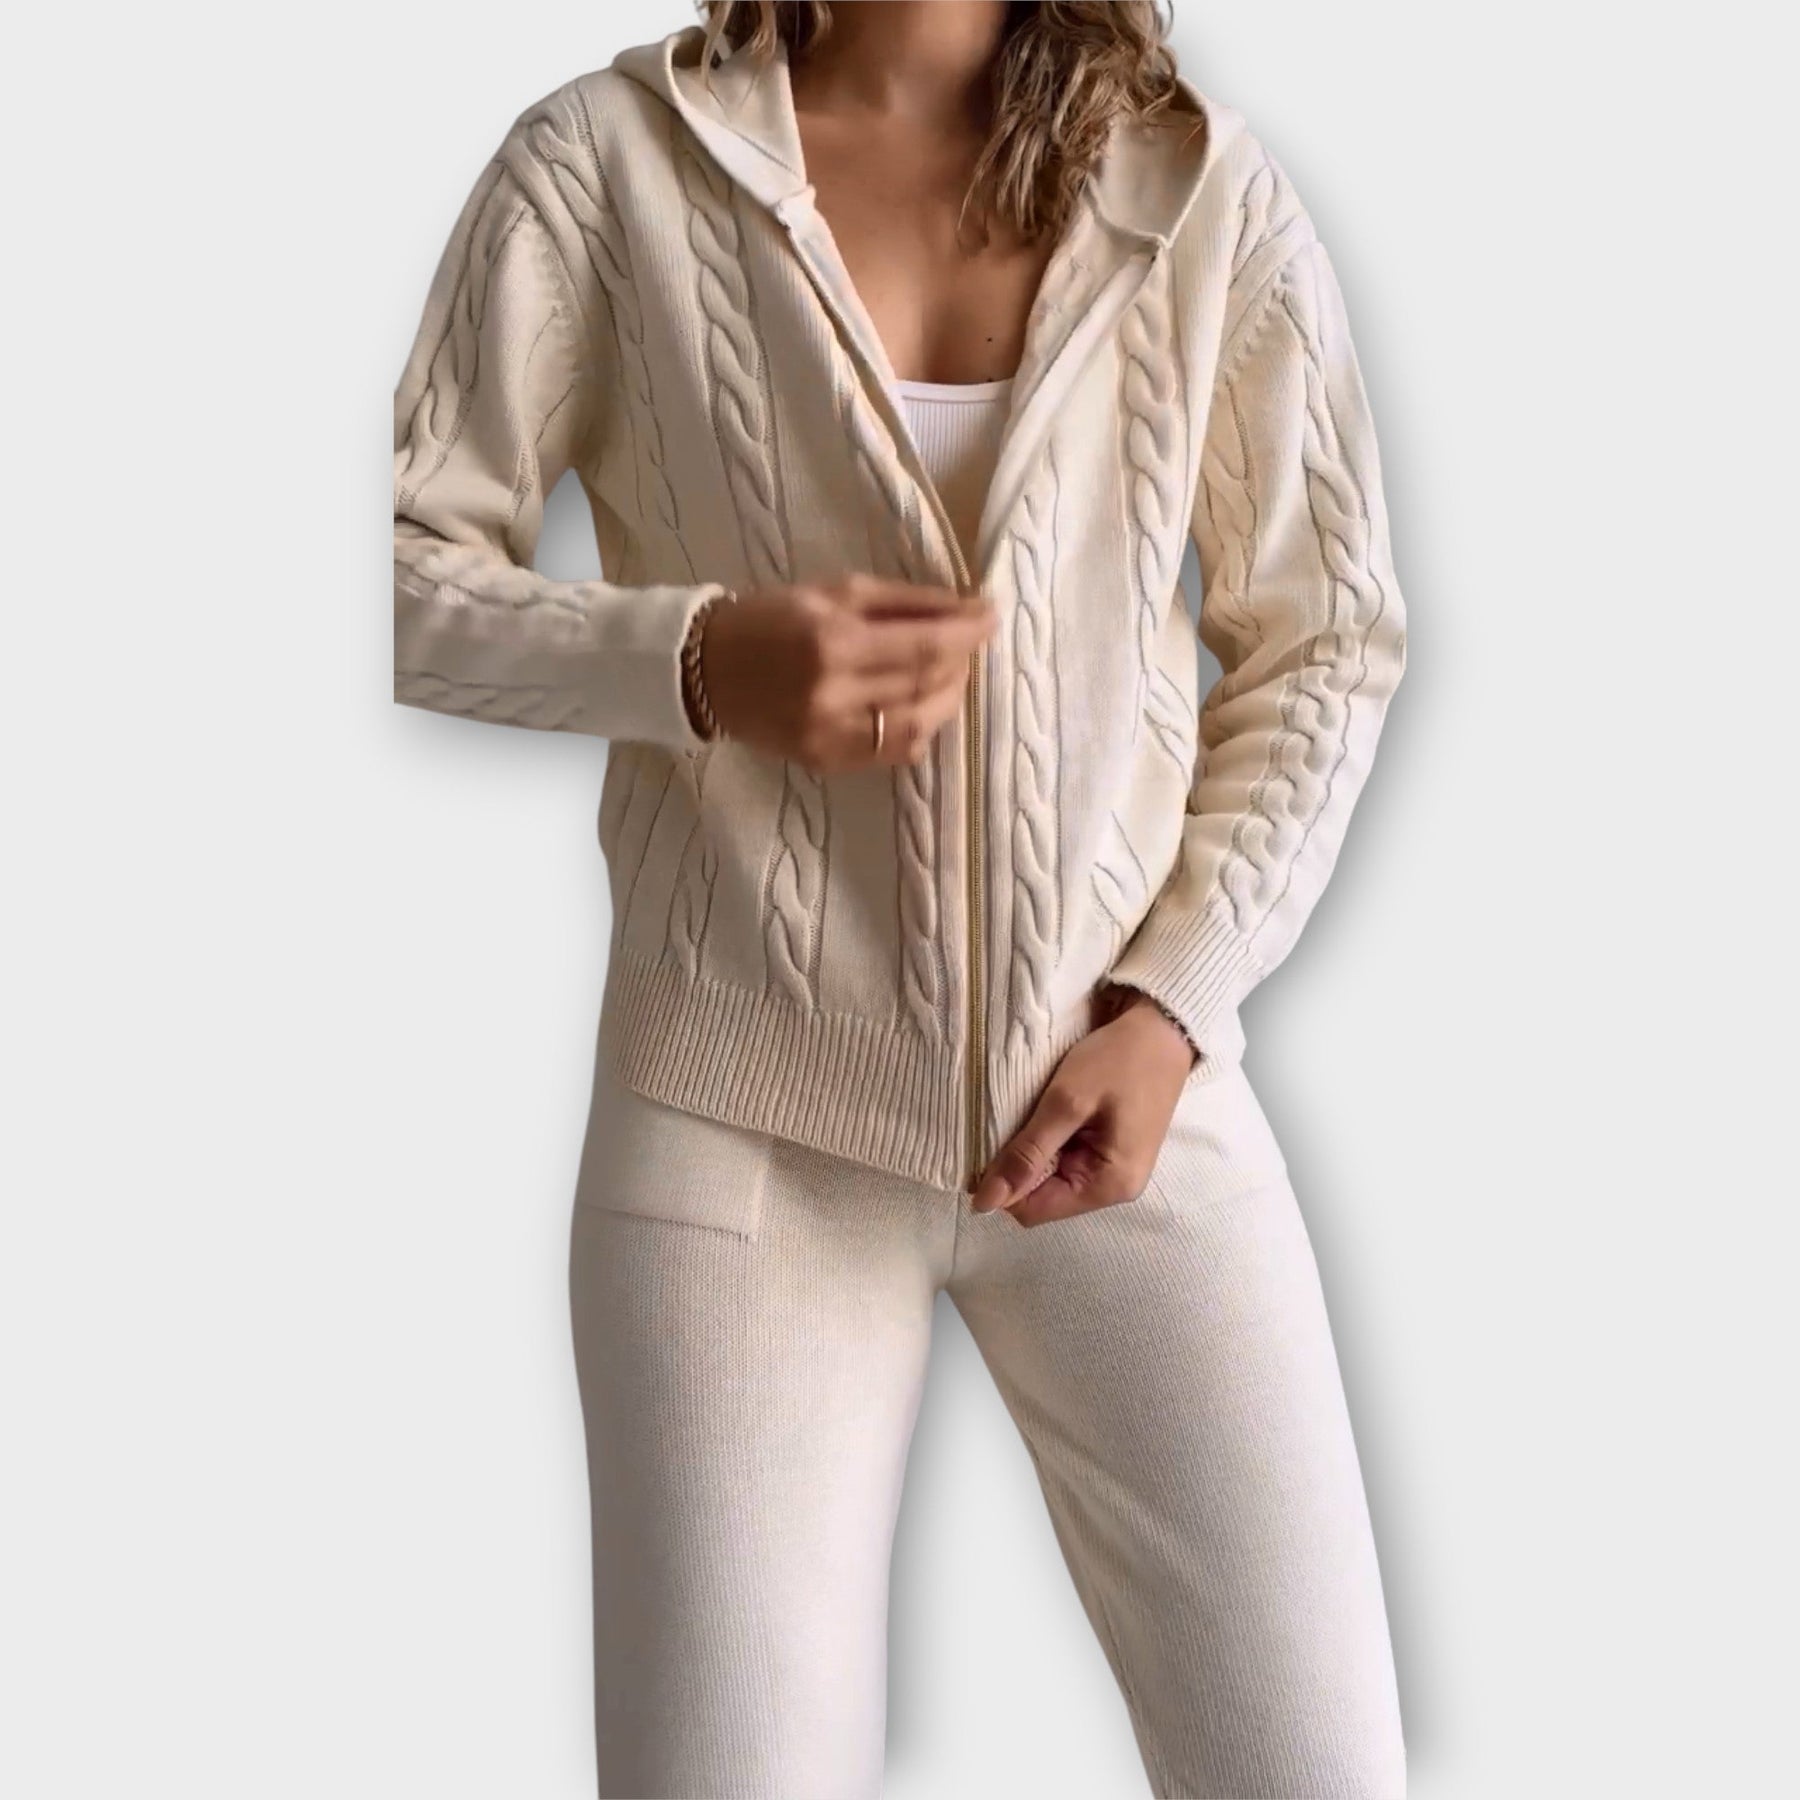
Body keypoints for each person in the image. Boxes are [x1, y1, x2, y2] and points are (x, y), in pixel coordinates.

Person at [390, 2, 1410, 1793]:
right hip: (735, 1133)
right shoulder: (602, 168)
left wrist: (1176, 1003)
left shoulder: (1200, 193)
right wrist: (699, 659)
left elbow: (1326, 639)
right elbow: (397, 574)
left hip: (1123, 1111)